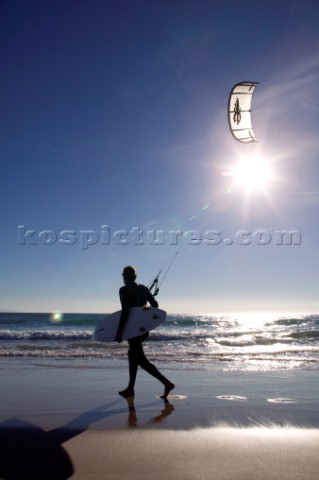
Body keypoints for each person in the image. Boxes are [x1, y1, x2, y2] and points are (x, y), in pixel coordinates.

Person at [114, 265, 175, 399]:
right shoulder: (143, 289)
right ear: (134, 277)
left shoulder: (123, 290)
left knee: (141, 359)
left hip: (132, 329)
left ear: (125, 277)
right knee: (132, 355)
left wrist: (119, 331)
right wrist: (145, 308)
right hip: (143, 329)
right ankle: (130, 388)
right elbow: (155, 306)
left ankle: (167, 383)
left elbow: (125, 311)